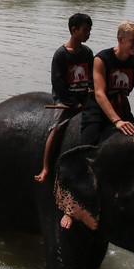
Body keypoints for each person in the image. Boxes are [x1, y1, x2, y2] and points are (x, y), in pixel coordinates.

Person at [62, 20, 134, 232]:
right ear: (120, 39)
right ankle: (71, 204)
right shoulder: (102, 59)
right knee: (87, 149)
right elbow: (99, 93)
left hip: (120, 107)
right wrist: (116, 121)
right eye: (133, 41)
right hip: (97, 108)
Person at [34, 13, 94, 184]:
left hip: (84, 98)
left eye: (90, 30)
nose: (88, 33)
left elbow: (91, 78)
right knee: (57, 129)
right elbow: (58, 83)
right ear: (74, 31)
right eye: (85, 30)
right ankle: (45, 167)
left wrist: (89, 97)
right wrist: (73, 103)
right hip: (65, 101)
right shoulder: (60, 55)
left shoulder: (88, 53)